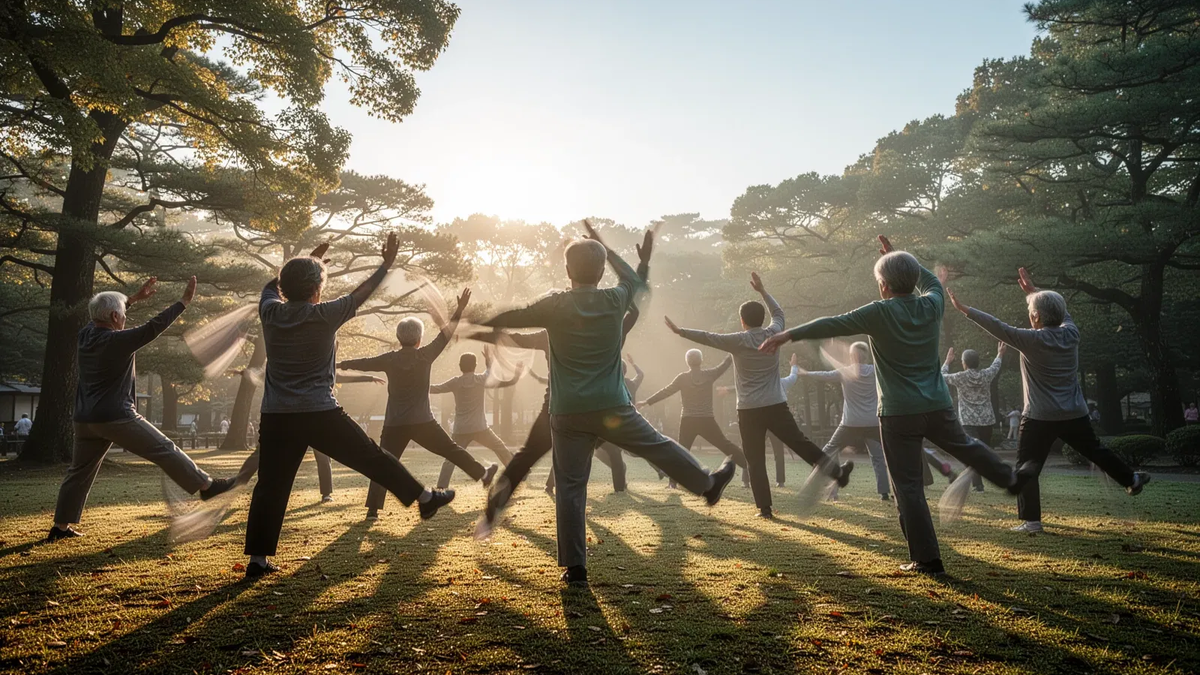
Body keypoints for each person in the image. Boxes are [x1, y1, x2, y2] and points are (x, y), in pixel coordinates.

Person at [481, 222, 736, 585]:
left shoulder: (555, 306)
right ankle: (707, 486)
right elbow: (634, 283)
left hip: (565, 410)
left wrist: (472, 322)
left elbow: (514, 317)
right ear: (601, 272)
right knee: (657, 446)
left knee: (570, 485)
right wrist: (622, 255)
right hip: (612, 407)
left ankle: (575, 569)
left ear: (567, 272)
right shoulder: (616, 302)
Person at [761, 235, 1015, 577]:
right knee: (966, 446)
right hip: (937, 406)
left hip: (898, 413)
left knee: (908, 487)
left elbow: (831, 323)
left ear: (883, 286)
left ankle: (928, 560)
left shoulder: (879, 313)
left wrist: (786, 335)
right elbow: (927, 280)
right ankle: (1010, 478)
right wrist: (898, 256)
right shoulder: (933, 303)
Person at [243, 237, 453, 579]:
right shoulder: (325, 314)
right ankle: (424, 497)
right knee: (371, 456)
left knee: (270, 485)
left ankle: (257, 561)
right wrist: (385, 265)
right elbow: (361, 292)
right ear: (315, 291)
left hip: (276, 414)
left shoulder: (270, 311)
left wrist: (308, 260)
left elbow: (271, 286)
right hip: (318, 412)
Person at [946, 267, 1150, 534]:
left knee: (1028, 465)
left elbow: (996, 326)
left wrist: (965, 310)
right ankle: (1131, 478)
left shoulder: (1030, 339)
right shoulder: (1071, 334)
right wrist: (1035, 291)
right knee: (1096, 450)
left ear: (1035, 317)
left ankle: (1032, 522)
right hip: (1074, 413)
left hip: (1039, 416)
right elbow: (1062, 313)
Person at [48, 277, 237, 542]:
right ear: (115, 316)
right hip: (115, 416)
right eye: (123, 314)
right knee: (163, 447)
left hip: (84, 418)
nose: (125, 318)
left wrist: (134, 299)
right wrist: (183, 303)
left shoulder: (85, 336)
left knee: (78, 472)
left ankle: (60, 527)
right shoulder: (118, 341)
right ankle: (206, 486)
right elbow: (154, 327)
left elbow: (107, 312)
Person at [666, 272, 852, 519]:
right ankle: (837, 473)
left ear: (742, 321)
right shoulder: (773, 333)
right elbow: (779, 314)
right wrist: (763, 291)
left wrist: (681, 332)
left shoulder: (738, 340)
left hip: (749, 409)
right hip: (775, 404)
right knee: (801, 443)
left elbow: (709, 338)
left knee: (755, 460)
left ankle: (764, 509)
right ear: (760, 319)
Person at [338, 288, 500, 521]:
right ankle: (483, 474)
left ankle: (373, 510)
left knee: (383, 463)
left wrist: (340, 363)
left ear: (399, 338)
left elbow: (363, 363)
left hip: (395, 423)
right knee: (452, 450)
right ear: (419, 339)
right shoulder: (425, 355)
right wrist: (460, 309)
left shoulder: (390, 359)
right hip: (423, 421)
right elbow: (446, 334)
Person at [639, 350, 751, 489]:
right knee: (725, 445)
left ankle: (673, 483)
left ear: (687, 362)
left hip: (688, 420)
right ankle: (751, 468)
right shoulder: (709, 374)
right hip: (706, 420)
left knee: (681, 452)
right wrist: (732, 349)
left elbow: (666, 391)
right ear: (701, 360)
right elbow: (724, 365)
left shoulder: (682, 378)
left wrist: (647, 401)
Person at [798, 342, 891, 502]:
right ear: (866, 356)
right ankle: (884, 493)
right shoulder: (876, 371)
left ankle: (829, 491)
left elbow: (823, 375)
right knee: (878, 457)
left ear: (852, 356)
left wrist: (805, 372)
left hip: (850, 423)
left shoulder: (845, 371)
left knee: (828, 452)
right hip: (872, 421)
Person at [433, 347, 525, 489]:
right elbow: (490, 371)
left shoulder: (455, 382)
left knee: (451, 458)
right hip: (480, 427)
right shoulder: (480, 380)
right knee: (500, 448)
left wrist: (417, 385)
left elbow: (436, 388)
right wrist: (488, 359)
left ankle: (441, 486)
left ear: (460, 366)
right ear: (475, 366)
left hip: (460, 428)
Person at [942, 344, 1006, 492]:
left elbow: (941, 377)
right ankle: (996, 478)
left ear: (964, 363)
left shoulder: (960, 377)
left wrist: (947, 362)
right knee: (984, 453)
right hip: (987, 420)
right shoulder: (986, 375)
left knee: (971, 453)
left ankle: (978, 485)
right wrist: (1000, 354)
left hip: (968, 421)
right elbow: (995, 366)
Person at [765, 357, 802, 487]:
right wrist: (794, 366)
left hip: (761, 422)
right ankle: (780, 482)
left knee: (753, 452)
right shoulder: (782, 383)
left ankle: (746, 480)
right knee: (778, 453)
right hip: (776, 424)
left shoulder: (760, 383)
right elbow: (793, 377)